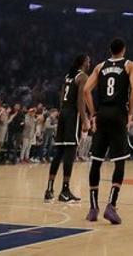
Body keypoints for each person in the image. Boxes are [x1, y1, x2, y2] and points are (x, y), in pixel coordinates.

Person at [84, 38, 133, 225]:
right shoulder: (130, 65)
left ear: (110, 50)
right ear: (124, 50)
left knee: (96, 161)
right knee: (119, 161)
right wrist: (130, 114)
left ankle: (93, 208)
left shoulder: (99, 67)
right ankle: (111, 206)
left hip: (102, 113)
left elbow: (85, 91)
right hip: (118, 114)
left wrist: (93, 114)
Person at [45, 54, 91, 202]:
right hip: (72, 114)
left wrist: (61, 114)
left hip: (63, 113)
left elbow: (61, 97)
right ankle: (65, 190)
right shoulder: (83, 77)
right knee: (70, 152)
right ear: (83, 63)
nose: (90, 63)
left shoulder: (68, 76)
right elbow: (80, 101)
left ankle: (49, 188)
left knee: (58, 152)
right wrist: (84, 120)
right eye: (88, 61)